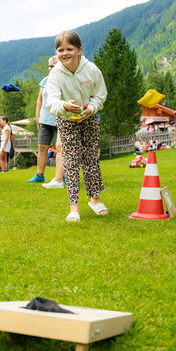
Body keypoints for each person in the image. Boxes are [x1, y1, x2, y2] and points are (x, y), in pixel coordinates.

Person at [45, 30, 108, 222]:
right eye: (60, 50)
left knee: (90, 158)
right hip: (66, 119)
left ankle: (95, 200)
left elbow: (100, 95)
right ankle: (74, 207)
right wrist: (65, 106)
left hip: (89, 117)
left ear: (79, 50)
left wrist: (90, 109)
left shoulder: (92, 70)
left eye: (69, 49)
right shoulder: (55, 74)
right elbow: (51, 101)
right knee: (70, 161)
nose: (64, 53)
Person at [28, 56, 60, 183]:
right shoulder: (45, 81)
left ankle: (62, 176)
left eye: (53, 66)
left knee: (61, 149)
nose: (50, 68)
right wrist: (38, 117)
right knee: (42, 147)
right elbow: (39, 100)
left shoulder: (64, 81)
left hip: (59, 120)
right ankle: (39, 175)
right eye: (49, 66)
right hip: (45, 120)